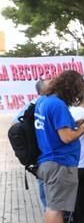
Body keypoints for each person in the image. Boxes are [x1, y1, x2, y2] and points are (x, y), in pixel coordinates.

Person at [35, 71, 84, 223]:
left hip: (48, 159)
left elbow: (54, 128)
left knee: (54, 207)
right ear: (72, 87)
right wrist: (82, 129)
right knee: (55, 209)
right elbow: (65, 137)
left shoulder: (44, 101)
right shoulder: (57, 105)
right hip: (59, 163)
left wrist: (74, 124)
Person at [14, 79, 50, 210]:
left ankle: (48, 210)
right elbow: (16, 123)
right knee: (43, 180)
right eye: (49, 83)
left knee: (43, 179)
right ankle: (48, 210)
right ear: (42, 90)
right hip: (40, 150)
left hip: (43, 150)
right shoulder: (35, 104)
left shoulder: (42, 103)